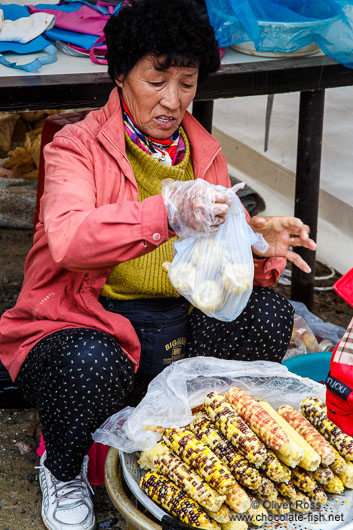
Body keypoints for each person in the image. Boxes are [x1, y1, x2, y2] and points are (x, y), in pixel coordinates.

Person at [0, 0, 316, 528]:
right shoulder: (75, 148)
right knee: (88, 365)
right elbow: (71, 240)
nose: (172, 101)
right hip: (89, 323)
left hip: (174, 325)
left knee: (266, 315)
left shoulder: (203, 152)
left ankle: (191, 443)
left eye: (187, 83)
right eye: (157, 79)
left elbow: (214, 259)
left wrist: (257, 243)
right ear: (121, 73)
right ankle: (63, 467)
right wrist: (167, 212)